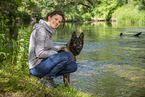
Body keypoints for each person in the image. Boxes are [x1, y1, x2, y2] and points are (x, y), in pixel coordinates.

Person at [28, 10, 77, 89]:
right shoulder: (41, 31)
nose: (57, 22)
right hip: (36, 67)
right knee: (68, 56)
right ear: (49, 17)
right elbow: (39, 53)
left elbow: (48, 48)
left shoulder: (49, 32)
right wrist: (56, 54)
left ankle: (44, 77)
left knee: (73, 66)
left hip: (44, 64)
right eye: (56, 19)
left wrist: (60, 48)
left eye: (59, 21)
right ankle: (47, 79)